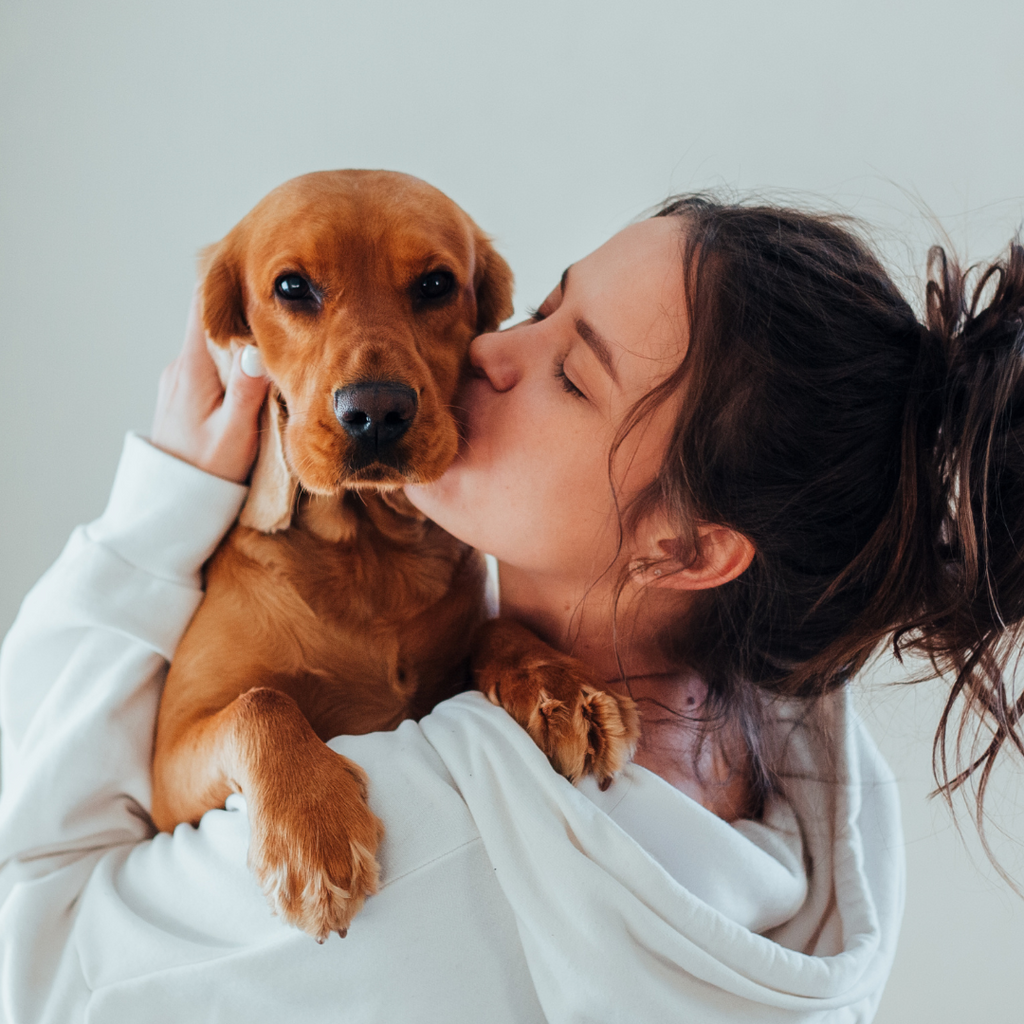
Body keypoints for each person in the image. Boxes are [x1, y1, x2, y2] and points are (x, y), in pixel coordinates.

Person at [0, 194, 1021, 1023]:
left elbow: (37, 962)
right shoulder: (820, 790)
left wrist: (156, 516)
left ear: (689, 549)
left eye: (570, 375)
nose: (488, 355)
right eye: (538, 311)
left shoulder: (418, 835)